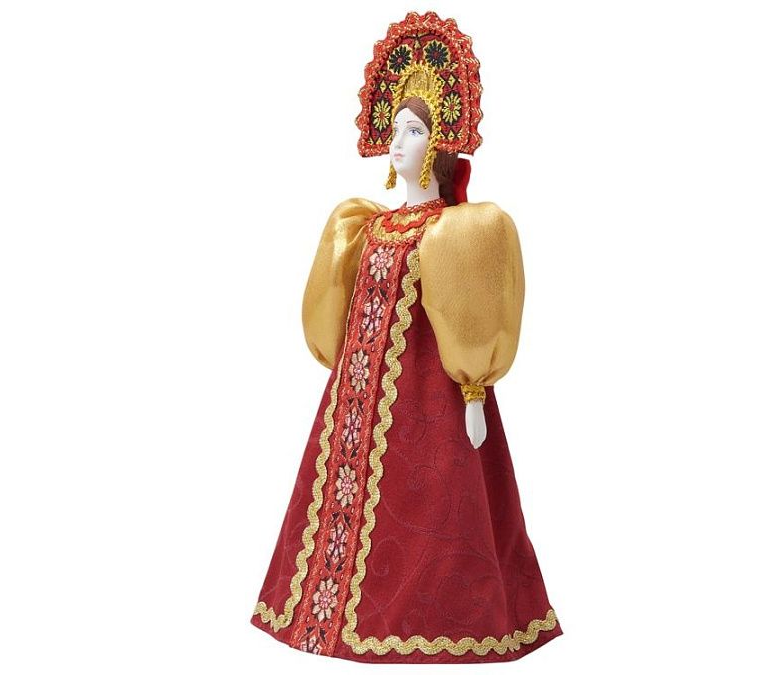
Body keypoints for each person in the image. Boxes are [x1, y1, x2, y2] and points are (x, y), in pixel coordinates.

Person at [250, 11, 562, 663]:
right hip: (353, 404)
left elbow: (474, 313)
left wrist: (474, 392)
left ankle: (439, 620)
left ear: (440, 142)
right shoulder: (364, 223)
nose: (399, 143)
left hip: (431, 402)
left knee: (436, 509)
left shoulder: (461, 230)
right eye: (395, 130)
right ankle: (329, 613)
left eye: (414, 130)